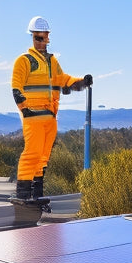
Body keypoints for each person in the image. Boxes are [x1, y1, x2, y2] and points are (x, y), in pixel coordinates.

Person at [11, 16, 92, 202]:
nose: (41, 41)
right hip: (33, 116)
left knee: (43, 158)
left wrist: (81, 82)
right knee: (31, 155)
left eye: (43, 37)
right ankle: (23, 196)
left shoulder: (52, 62)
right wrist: (24, 108)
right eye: (37, 38)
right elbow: (16, 88)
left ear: (48, 37)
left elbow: (64, 80)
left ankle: (37, 196)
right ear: (32, 38)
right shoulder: (24, 61)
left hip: (50, 118)